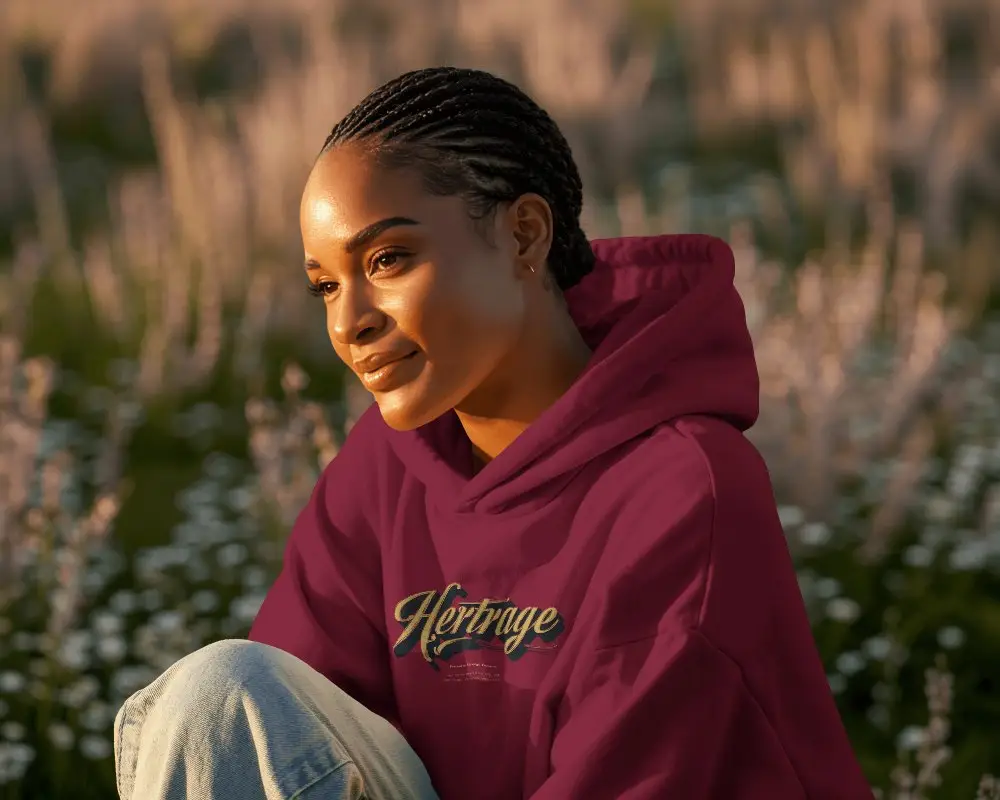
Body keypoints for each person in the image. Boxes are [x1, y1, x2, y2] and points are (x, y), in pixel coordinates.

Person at [113, 66, 874, 800]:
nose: (350, 322)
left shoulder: (683, 486)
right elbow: (283, 737)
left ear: (524, 235)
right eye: (325, 285)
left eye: (388, 259)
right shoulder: (384, 466)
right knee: (217, 702)